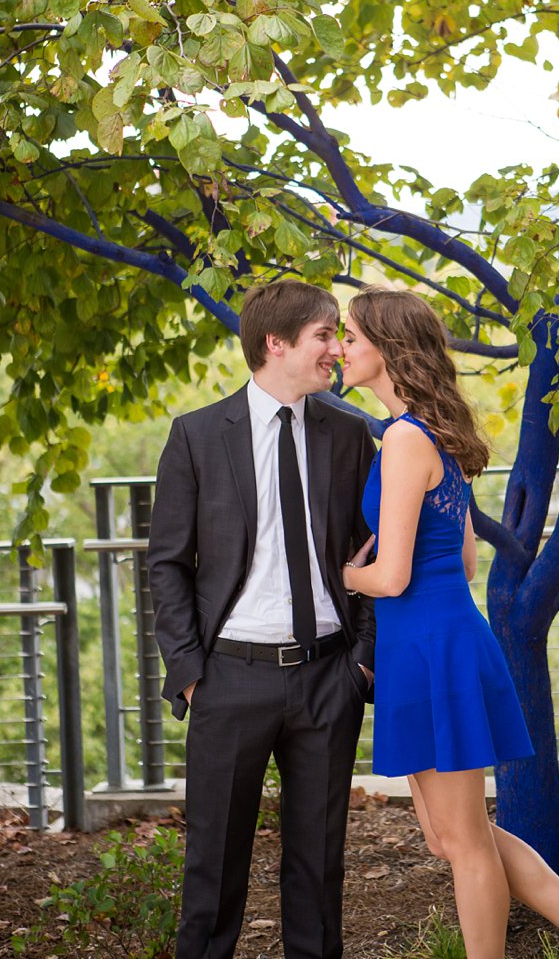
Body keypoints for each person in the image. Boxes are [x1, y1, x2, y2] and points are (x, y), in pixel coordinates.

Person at [339, 288, 559, 959]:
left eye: (349, 336)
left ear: (386, 347)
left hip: (430, 647)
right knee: (454, 837)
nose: (341, 348)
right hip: (436, 642)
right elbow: (460, 560)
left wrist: (342, 574)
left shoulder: (404, 439)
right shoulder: (433, 434)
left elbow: (393, 577)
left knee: (461, 842)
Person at [146, 279, 377, 959]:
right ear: (275, 344)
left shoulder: (351, 435)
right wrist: (191, 674)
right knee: (212, 876)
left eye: (339, 335)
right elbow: (166, 563)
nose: (337, 349)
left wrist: (360, 664)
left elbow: (371, 551)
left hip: (328, 679)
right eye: (325, 335)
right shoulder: (195, 437)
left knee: (319, 871)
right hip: (227, 681)